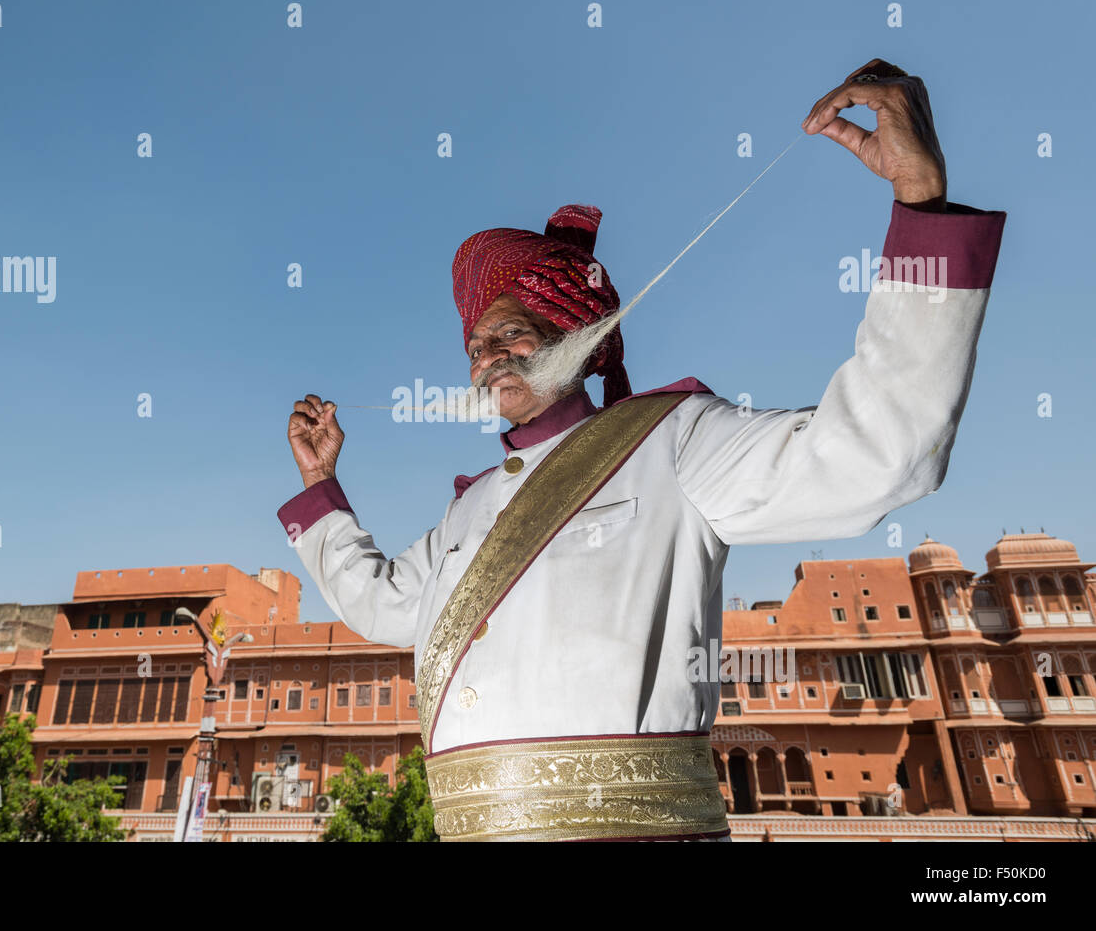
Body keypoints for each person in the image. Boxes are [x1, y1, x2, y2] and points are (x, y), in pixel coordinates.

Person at [278, 59, 1006, 841]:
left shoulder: (672, 440)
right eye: (477, 343)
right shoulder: (471, 506)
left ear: (577, 337)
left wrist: (921, 205)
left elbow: (876, 453)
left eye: (512, 331)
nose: (488, 354)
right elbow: (385, 605)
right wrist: (323, 485)